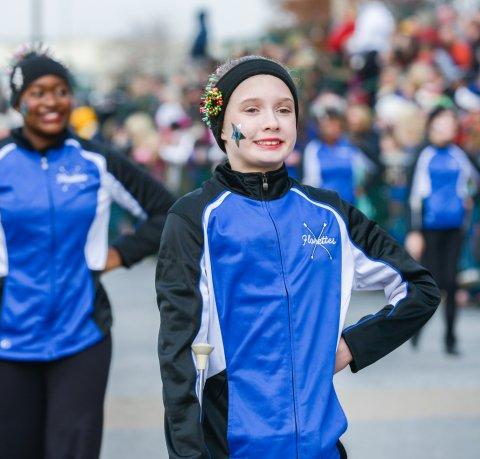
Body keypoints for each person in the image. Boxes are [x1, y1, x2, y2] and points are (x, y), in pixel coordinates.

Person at [156, 56, 440, 458]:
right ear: (220, 125)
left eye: (284, 109)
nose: (271, 122)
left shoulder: (329, 213)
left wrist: (351, 347)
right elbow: (177, 354)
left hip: (321, 447)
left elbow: (420, 288)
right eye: (251, 110)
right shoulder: (194, 218)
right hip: (231, 446)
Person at [0, 45, 173, 459]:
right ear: (18, 102)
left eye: (60, 90)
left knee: (74, 451)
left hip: (81, 337)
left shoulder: (95, 159)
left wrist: (119, 254)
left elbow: (169, 211)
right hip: (5, 343)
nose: (51, 101)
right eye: (37, 92)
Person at [406, 107, 480, 355]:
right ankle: (415, 329)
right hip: (429, 229)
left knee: (451, 281)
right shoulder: (424, 154)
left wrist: (468, 198)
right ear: (432, 125)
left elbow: (474, 182)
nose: (448, 126)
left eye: (451, 122)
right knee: (429, 283)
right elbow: (414, 196)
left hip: (455, 228)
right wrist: (414, 231)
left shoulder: (459, 155)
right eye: (443, 122)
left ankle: (450, 338)